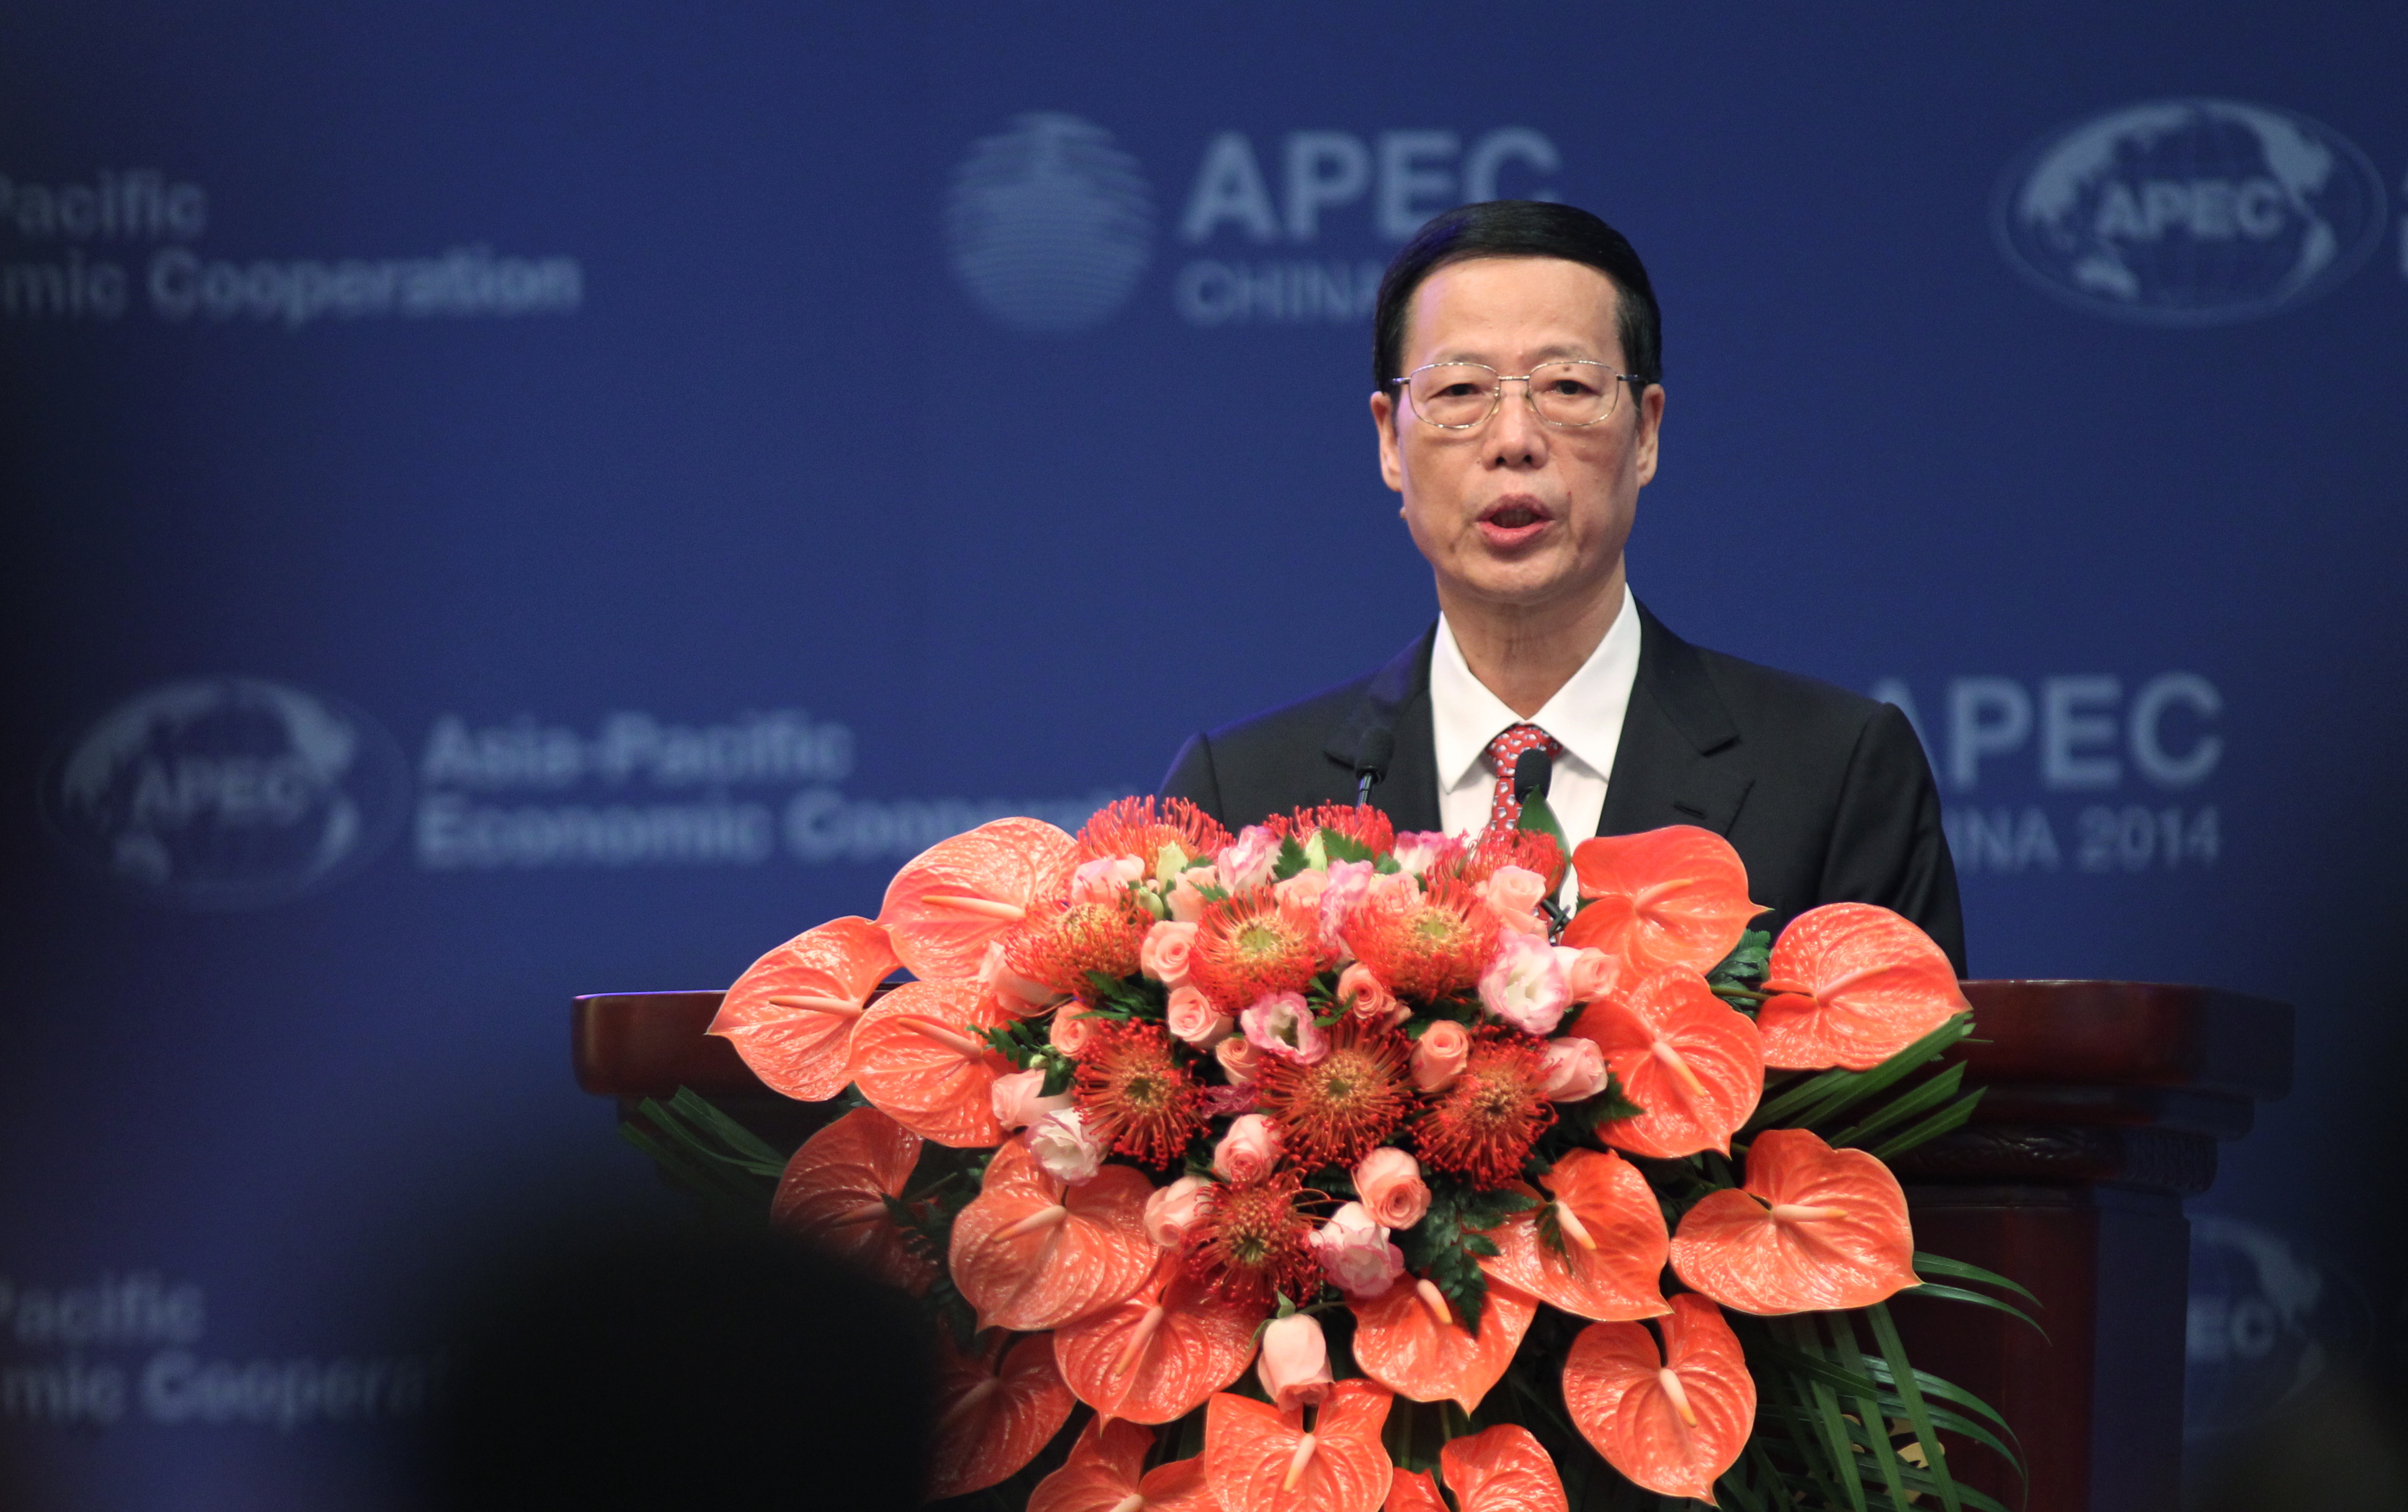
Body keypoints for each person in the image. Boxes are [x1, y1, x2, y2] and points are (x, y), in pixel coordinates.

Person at [1160, 200, 1966, 971]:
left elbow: (1910, 1105)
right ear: (1390, 443)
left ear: (1646, 431)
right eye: (1461, 392)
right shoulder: (1241, 801)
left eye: (1568, 388)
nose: (1515, 441)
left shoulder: (1834, 776)